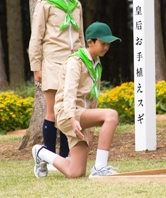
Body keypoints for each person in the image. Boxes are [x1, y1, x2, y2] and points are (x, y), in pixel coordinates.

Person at [32, 22, 121, 179]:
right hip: (68, 114)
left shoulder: (96, 64)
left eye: (108, 44)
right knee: (111, 115)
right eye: (102, 43)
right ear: (90, 42)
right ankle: (100, 168)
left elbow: (93, 98)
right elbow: (69, 93)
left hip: (81, 117)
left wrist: (91, 130)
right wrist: (72, 119)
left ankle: (41, 153)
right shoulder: (76, 61)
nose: (106, 47)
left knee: (76, 172)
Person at [28, 0, 85, 160]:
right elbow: (36, 37)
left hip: (73, 65)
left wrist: (84, 62)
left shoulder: (76, 4)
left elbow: (80, 38)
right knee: (52, 112)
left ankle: (66, 157)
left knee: (68, 112)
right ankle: (49, 157)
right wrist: (37, 67)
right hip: (52, 63)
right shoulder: (45, 4)